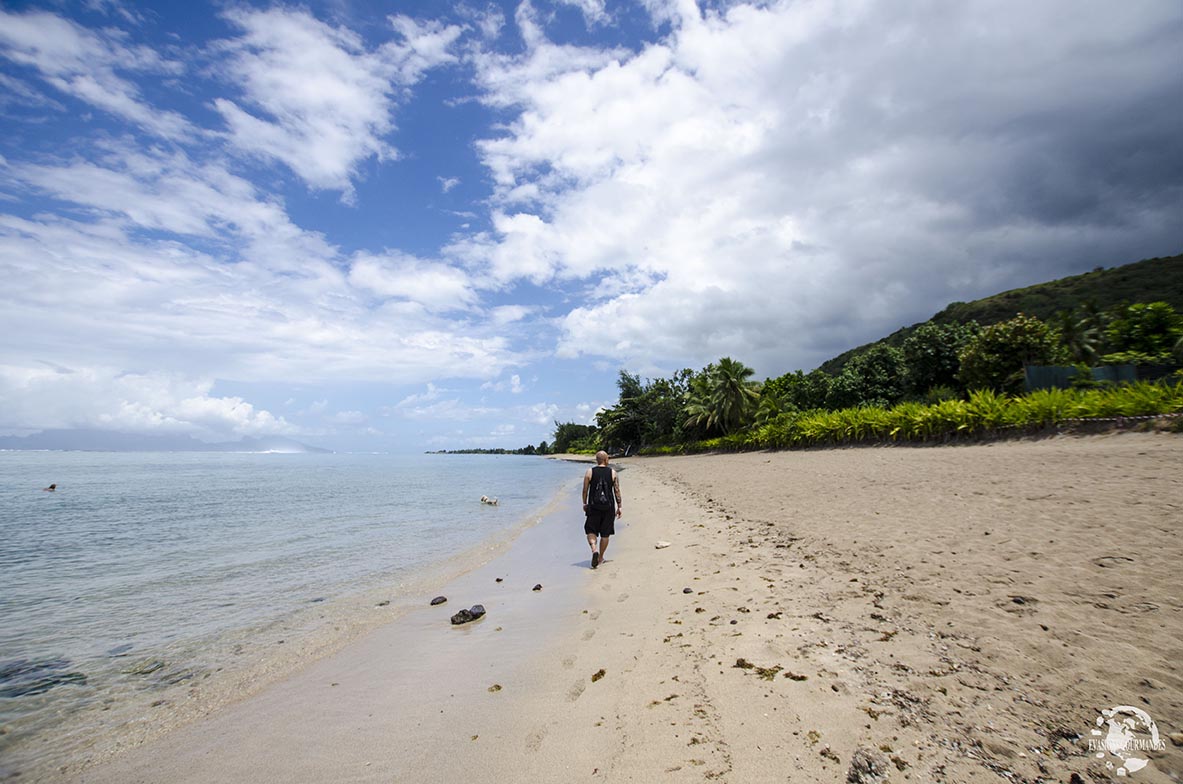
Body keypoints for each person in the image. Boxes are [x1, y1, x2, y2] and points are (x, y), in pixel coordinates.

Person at [582, 451, 621, 568]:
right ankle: (600, 557)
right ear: (606, 459)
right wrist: (619, 506)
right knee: (605, 533)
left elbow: (585, 490)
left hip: (594, 506)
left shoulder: (590, 472)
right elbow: (617, 490)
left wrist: (584, 503)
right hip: (608, 507)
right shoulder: (613, 472)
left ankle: (594, 549)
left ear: (597, 460)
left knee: (590, 530)